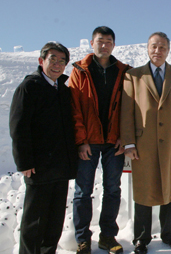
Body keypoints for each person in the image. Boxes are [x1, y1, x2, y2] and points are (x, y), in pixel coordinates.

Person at [120, 32, 171, 254]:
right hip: (144, 144)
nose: (157, 51)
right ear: (147, 48)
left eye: (162, 47)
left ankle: (169, 234)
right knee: (144, 190)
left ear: (168, 50)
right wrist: (129, 143)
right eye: (153, 46)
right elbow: (126, 113)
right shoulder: (133, 76)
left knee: (169, 189)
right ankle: (141, 238)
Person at [10, 42, 78, 254]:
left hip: (60, 167)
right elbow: (19, 127)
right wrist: (25, 162)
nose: (57, 64)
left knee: (54, 221)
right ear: (41, 61)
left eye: (62, 61)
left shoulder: (63, 90)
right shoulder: (30, 87)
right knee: (35, 222)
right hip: (39, 167)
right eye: (53, 59)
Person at [69, 26, 132, 254]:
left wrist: (124, 137)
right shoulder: (80, 70)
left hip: (114, 141)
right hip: (89, 141)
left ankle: (107, 237)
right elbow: (74, 108)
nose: (104, 45)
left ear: (114, 45)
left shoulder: (124, 71)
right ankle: (82, 239)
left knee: (112, 189)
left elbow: (130, 107)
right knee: (82, 191)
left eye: (108, 41)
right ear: (91, 43)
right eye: (100, 41)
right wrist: (81, 141)